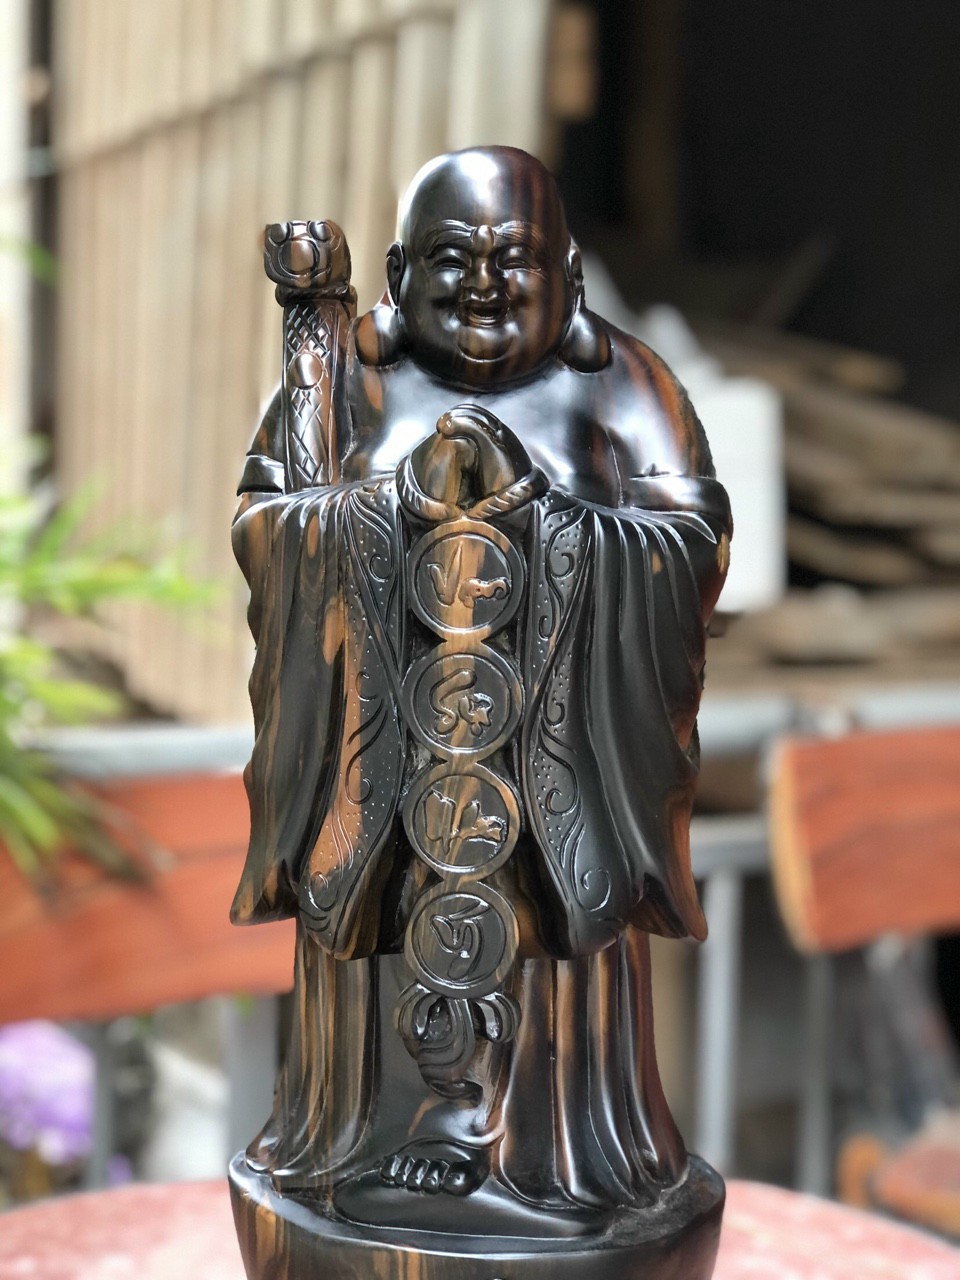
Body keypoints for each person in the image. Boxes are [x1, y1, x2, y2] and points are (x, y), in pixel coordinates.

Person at [231, 147, 730, 1236]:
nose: (487, 284)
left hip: (549, 788)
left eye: (517, 259)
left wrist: (535, 517)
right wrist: (391, 514)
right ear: (397, 277)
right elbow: (270, 530)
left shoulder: (626, 385)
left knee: (549, 982)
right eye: (454, 259)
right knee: (374, 1011)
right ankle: (353, 1143)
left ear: (574, 278)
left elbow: (691, 547)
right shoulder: (343, 384)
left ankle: (550, 1166)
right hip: (385, 783)